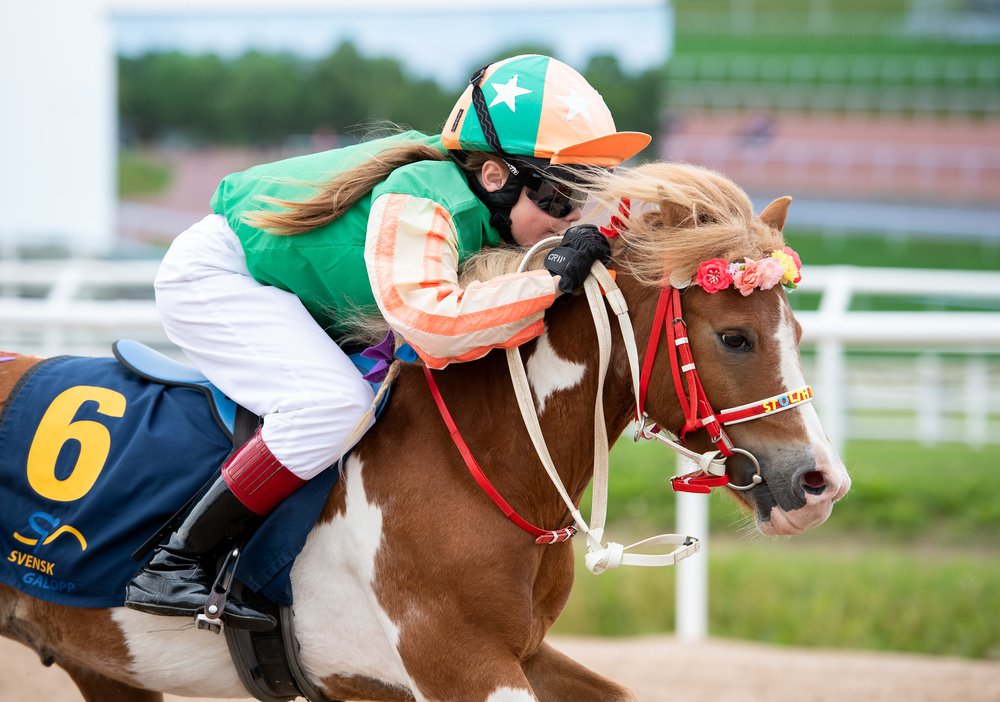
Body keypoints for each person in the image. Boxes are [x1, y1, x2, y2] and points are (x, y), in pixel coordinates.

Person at [123, 54, 651, 629]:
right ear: (496, 177)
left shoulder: (487, 201)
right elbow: (432, 324)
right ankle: (177, 560)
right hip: (220, 277)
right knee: (334, 405)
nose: (570, 216)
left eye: (585, 193)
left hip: (291, 290)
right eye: (558, 197)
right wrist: (549, 280)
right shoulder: (424, 198)